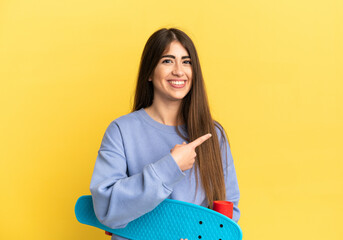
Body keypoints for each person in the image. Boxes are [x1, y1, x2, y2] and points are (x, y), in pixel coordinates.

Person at [90, 28, 240, 240]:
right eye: (168, 61)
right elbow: (107, 210)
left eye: (186, 62)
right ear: (149, 72)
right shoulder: (121, 131)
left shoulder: (212, 135)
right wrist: (170, 167)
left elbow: (227, 214)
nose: (179, 71)